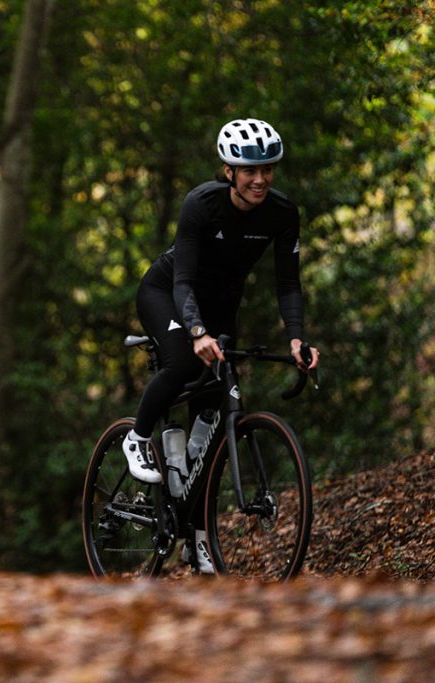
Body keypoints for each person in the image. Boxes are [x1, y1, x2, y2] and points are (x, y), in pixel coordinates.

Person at [121, 118, 320, 573]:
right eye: (249, 170)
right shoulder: (201, 205)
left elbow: (288, 284)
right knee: (179, 363)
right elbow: (185, 280)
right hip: (167, 292)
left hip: (223, 306)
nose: (260, 179)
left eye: (268, 169)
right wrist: (194, 332)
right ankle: (138, 436)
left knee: (211, 416)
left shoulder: (282, 213)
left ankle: (198, 538)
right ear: (228, 171)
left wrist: (296, 336)